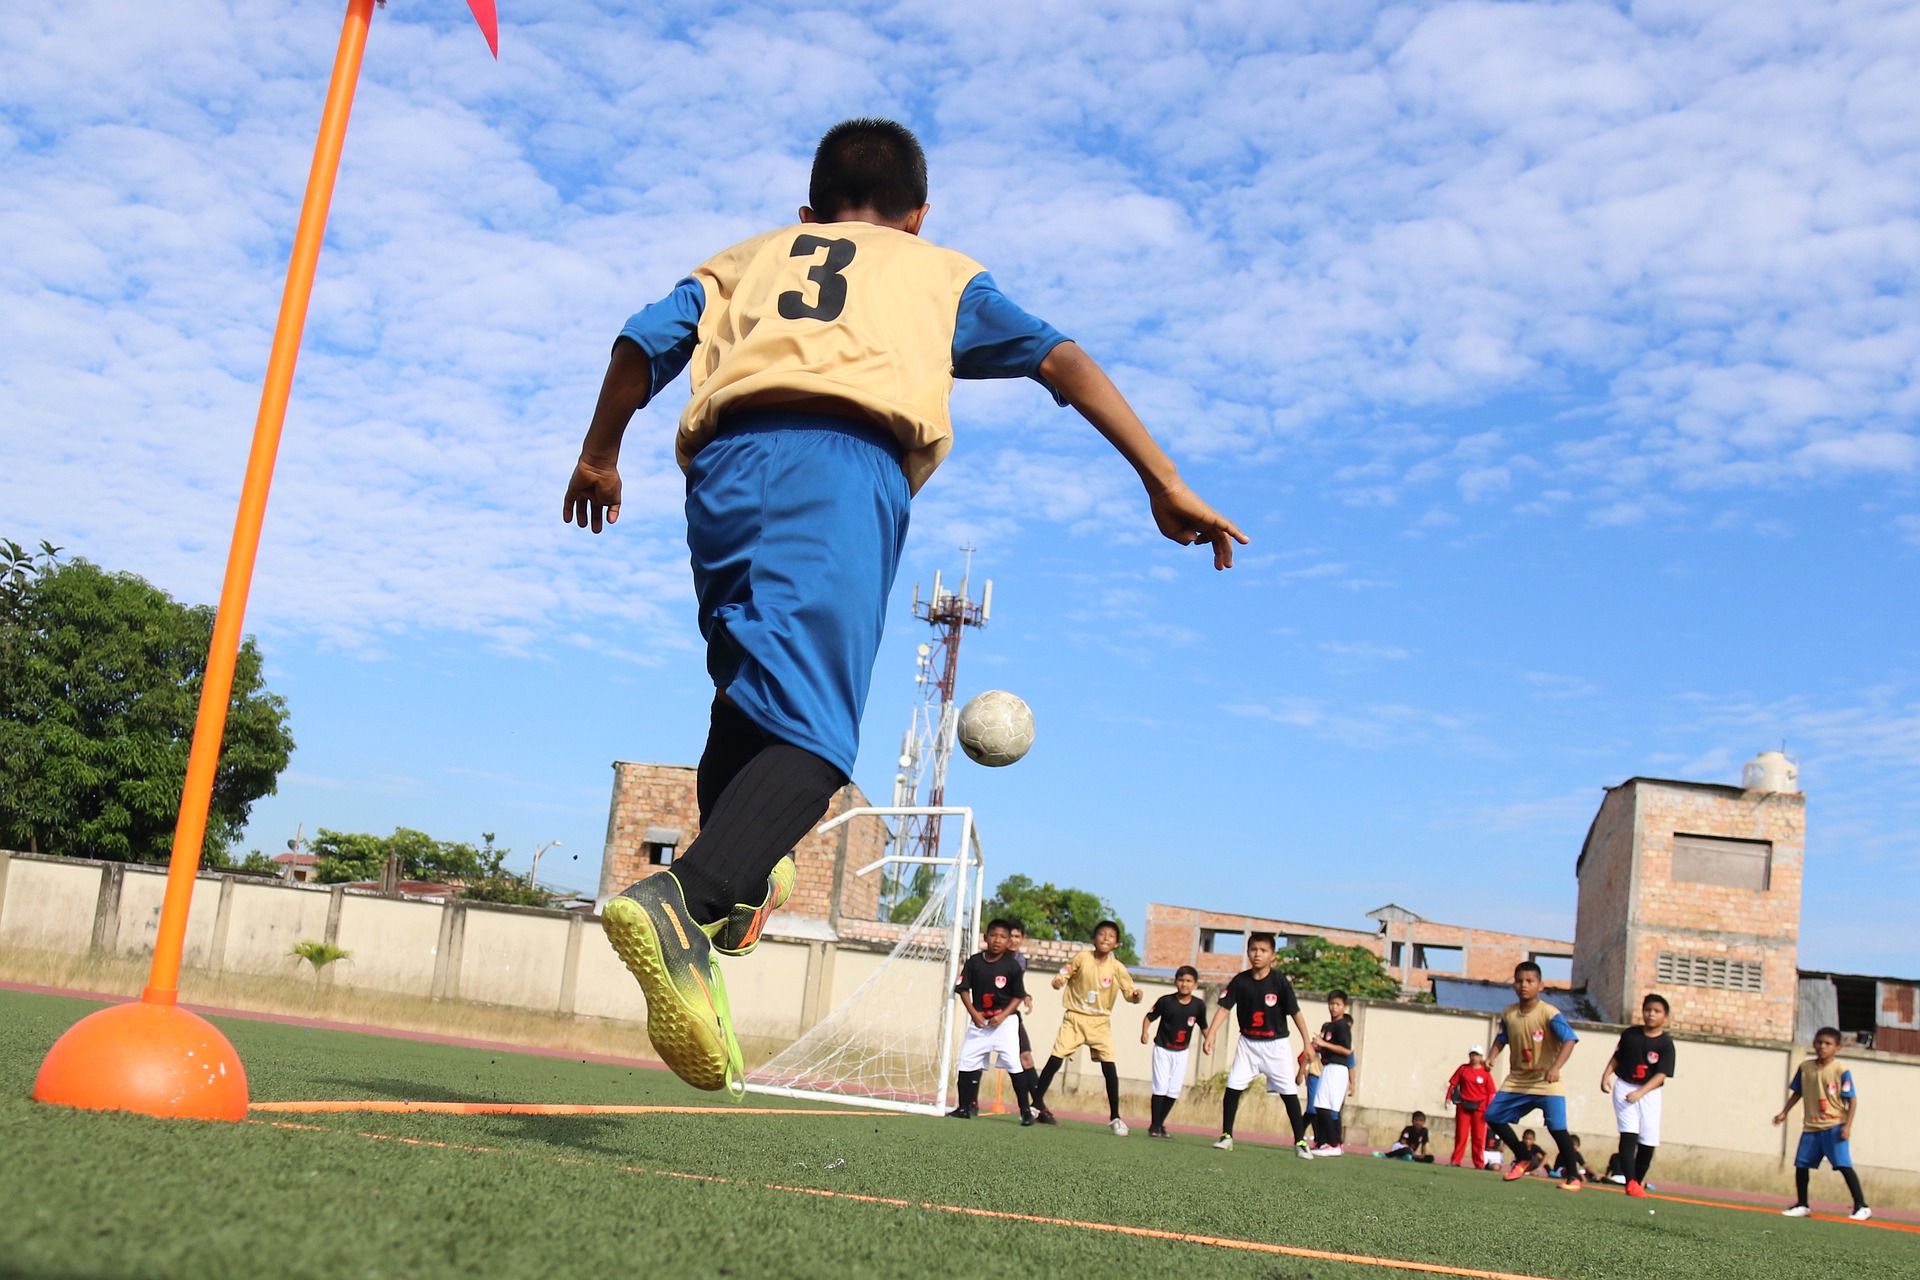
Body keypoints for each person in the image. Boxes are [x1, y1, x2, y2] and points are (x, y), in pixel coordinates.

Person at [565, 118, 1245, 1095]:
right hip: (837, 469)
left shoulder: (746, 259)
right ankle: (687, 898)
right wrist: (1162, 480)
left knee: (749, 696)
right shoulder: (938, 273)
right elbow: (1062, 360)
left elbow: (642, 341)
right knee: (813, 743)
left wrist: (598, 452)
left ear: (808, 211)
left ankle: (743, 882)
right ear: (918, 217)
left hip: (718, 474)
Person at [1202, 932, 1315, 1156]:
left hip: (1276, 1045)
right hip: (1248, 1044)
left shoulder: (1280, 981)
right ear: (1248, 952)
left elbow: (1296, 1014)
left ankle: (1300, 1142)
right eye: (1254, 950)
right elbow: (1224, 1007)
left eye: (1263, 951)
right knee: (1233, 1087)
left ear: (1272, 955)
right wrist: (1211, 1034)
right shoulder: (1240, 981)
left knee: (1288, 1093)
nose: (1257, 954)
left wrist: (1307, 1043)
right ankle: (1226, 1136)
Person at [1031, 921, 1145, 1133]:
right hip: (1075, 1018)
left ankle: (1115, 1118)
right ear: (1094, 939)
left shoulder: (1117, 968)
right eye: (1101, 934)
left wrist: (1136, 996)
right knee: (1055, 1059)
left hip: (1100, 1022)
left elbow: (1129, 992)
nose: (1105, 938)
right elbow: (1064, 972)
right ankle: (1035, 1105)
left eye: (1110, 936)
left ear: (1116, 944)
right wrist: (1058, 981)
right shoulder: (1082, 958)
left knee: (1109, 1066)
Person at [1485, 960, 1584, 1191]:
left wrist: (1556, 1067)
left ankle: (1573, 1177)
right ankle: (1524, 1158)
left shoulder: (1549, 1013)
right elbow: (1502, 1037)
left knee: (1557, 1128)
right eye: (1519, 981)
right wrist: (1492, 1056)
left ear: (1540, 985)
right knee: (1493, 1115)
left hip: (1546, 1082)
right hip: (1518, 1079)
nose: (1524, 985)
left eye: (1530, 981)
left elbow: (1569, 1039)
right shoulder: (1509, 1013)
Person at [1772, 1026, 1871, 1221]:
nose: (1822, 1047)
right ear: (1813, 1044)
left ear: (1837, 1048)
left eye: (1828, 1044)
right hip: (1811, 1126)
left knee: (1843, 1164)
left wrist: (1847, 1126)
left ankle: (1861, 1206)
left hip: (1834, 1125)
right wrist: (1784, 1112)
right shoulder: (1805, 1068)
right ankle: (1802, 1204)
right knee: (1801, 1164)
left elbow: (1851, 1099)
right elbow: (1798, 1092)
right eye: (1819, 1042)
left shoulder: (1840, 1070)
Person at [948, 918, 1038, 1123]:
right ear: (985, 937)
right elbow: (962, 989)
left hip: (1004, 1024)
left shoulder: (1012, 966)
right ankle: (963, 1107)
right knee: (966, 1061)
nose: (998, 940)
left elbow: (1018, 996)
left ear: (1008, 943)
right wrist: (974, 1013)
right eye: (994, 935)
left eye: (1003, 937)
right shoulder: (974, 962)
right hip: (980, 1023)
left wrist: (1003, 1015)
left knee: (1014, 1063)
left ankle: (1025, 1111)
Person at [1602, 992, 1675, 1199]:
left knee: (1648, 1140)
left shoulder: (1665, 1044)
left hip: (1649, 1093)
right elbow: (1617, 1057)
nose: (1651, 1014)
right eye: (1648, 1010)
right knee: (1628, 1134)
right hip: (1625, 1087)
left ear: (1665, 1016)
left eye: (1657, 1011)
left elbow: (1661, 1074)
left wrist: (1641, 1092)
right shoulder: (1630, 1035)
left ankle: (1637, 1180)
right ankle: (1630, 1182)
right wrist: (1606, 1076)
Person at [1141, 965, 1209, 1138]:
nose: (1184, 984)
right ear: (1175, 982)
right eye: (1181, 980)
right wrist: (1145, 1032)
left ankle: (1159, 1124)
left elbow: (1204, 1026)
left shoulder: (1198, 1005)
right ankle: (1154, 1126)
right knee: (1161, 1086)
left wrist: (1208, 1041)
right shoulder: (1166, 1001)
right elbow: (1149, 1017)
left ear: (1195, 985)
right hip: (1163, 1049)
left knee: (1173, 1090)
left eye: (1188, 981)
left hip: (1182, 1052)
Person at [1308, 990, 1356, 1155]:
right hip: (1328, 1067)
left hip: (1337, 1068)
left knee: (1324, 1106)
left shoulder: (1343, 1026)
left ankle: (1333, 1144)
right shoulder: (1330, 1026)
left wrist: (1324, 1044)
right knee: (1321, 1105)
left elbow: (1346, 1050)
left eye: (1338, 1004)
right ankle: (1326, 1143)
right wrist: (1319, 1046)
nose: (1334, 1008)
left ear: (1345, 1007)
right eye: (1331, 1004)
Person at [1445, 1045, 1496, 1168]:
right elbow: (1453, 1084)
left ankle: (1479, 1162)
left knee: (1479, 1137)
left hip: (1480, 1108)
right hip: (1464, 1105)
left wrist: (1490, 1109)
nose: (1474, 1057)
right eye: (1472, 1054)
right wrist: (1447, 1098)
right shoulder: (1463, 1069)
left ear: (1481, 1057)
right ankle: (1456, 1160)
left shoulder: (1485, 1072)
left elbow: (1491, 1092)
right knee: (1461, 1135)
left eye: (1477, 1055)